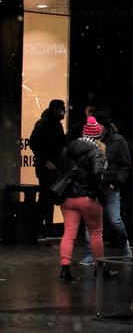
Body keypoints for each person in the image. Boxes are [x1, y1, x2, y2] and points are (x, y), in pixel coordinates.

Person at [56, 116, 112, 280]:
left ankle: (65, 269)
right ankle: (99, 268)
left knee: (69, 234)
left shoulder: (67, 149)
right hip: (88, 198)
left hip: (68, 198)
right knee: (96, 233)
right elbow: (97, 175)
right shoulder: (96, 152)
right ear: (97, 136)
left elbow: (61, 170)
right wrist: (96, 193)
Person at [97, 112, 133, 260]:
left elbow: (125, 164)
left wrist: (116, 182)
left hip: (110, 185)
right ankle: (91, 255)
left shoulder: (118, 141)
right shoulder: (93, 141)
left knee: (114, 220)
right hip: (97, 186)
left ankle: (125, 247)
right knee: (92, 223)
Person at [29, 99, 67, 238]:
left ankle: (46, 227)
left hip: (53, 165)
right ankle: (41, 226)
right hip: (46, 166)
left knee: (49, 196)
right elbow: (34, 143)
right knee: (46, 196)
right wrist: (45, 161)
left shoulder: (55, 124)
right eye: (62, 109)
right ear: (55, 109)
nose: (64, 112)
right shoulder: (45, 124)